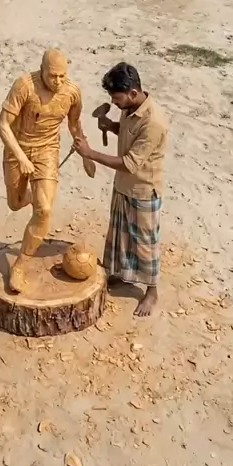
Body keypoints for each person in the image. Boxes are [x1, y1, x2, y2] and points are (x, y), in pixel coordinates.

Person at [0, 49, 95, 293]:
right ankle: (30, 196)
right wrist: (21, 157)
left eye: (62, 76)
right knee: (15, 204)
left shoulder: (72, 92)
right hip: (17, 148)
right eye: (52, 76)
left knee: (45, 210)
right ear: (41, 70)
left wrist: (86, 154)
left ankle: (20, 266)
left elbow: (74, 125)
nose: (58, 81)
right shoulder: (24, 86)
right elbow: (2, 126)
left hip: (47, 151)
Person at [73, 62, 168, 317]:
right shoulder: (130, 108)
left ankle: (151, 291)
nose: (114, 104)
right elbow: (128, 134)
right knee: (121, 235)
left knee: (145, 243)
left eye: (116, 99)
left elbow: (129, 163)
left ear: (133, 93)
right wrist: (110, 125)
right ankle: (123, 274)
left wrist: (90, 153)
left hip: (143, 189)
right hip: (124, 186)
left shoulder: (153, 122)